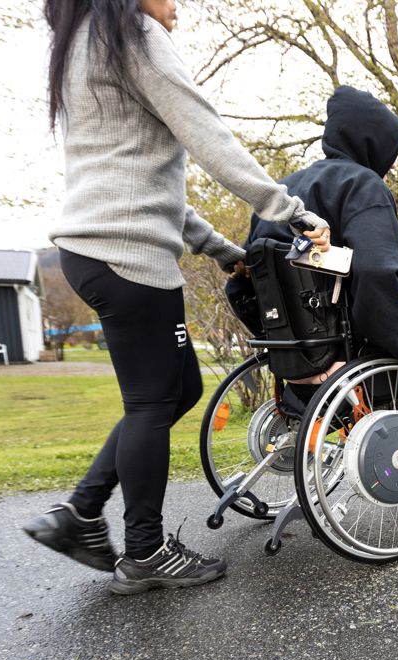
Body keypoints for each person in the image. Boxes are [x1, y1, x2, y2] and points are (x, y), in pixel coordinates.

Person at [23, 0, 329, 595]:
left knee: (178, 390)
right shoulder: (130, 32)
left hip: (97, 249)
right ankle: (144, 552)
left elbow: (150, 186)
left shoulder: (88, 41)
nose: (178, 6)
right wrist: (290, 212)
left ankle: (82, 511)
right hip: (128, 255)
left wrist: (222, 250)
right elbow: (206, 131)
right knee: (150, 404)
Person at [226, 85, 398, 413]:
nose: (390, 164)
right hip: (355, 367)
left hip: (299, 373)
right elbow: (376, 274)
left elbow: (240, 284)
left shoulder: (283, 192)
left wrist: (287, 351)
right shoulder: (362, 186)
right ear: (373, 143)